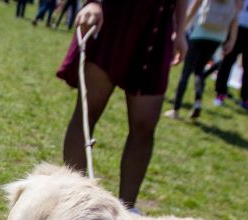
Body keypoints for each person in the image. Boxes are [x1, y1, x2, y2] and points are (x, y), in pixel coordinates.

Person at [57, 0, 188, 209]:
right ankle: (74, 203)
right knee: (86, 114)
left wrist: (180, 30)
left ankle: (128, 210)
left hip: (157, 26)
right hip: (114, 17)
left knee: (144, 127)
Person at [166, 0, 242, 120]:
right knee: (199, 70)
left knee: (186, 72)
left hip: (200, 33)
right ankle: (197, 102)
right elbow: (235, 18)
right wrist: (232, 40)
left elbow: (193, 9)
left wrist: (180, 31)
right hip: (218, 36)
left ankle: (176, 109)